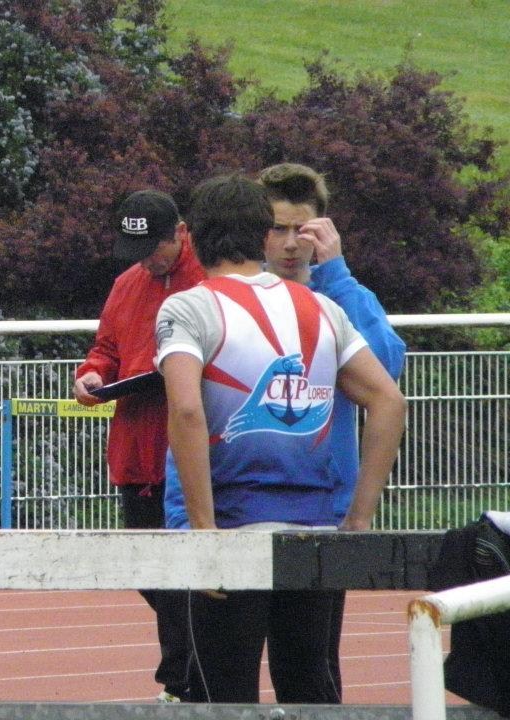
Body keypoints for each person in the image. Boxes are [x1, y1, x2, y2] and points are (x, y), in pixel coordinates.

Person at [156, 174, 406, 704]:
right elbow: (389, 401)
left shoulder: (187, 307)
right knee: (309, 685)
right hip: (315, 529)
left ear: (191, 238)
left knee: (221, 692)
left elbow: (186, 409)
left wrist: (202, 529)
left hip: (231, 524)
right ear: (262, 235)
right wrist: (357, 519)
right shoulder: (321, 307)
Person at [258, 162, 407, 699]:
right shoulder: (231, 299)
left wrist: (337, 273)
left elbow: (386, 371)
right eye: (277, 228)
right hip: (239, 507)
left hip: (321, 509)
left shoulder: (342, 295)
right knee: (224, 676)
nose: (290, 243)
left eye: (302, 229)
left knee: (309, 670)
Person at [73, 189, 205, 702]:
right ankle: (191, 673)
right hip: (134, 451)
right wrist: (91, 375)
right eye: (137, 251)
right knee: (151, 573)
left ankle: (181, 682)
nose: (147, 260)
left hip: (186, 450)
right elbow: (105, 348)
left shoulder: (207, 280)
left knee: (180, 577)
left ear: (181, 233)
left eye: (154, 248)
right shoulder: (127, 283)